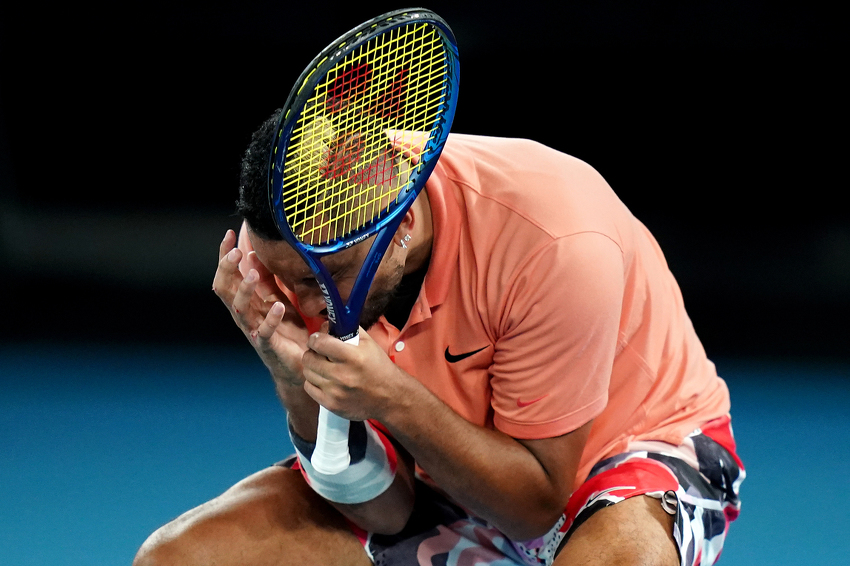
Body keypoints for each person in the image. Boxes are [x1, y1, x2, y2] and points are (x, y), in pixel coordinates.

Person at [133, 108, 745, 566]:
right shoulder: (297, 257)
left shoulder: (557, 240)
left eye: (332, 278)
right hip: (444, 473)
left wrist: (391, 396)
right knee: (177, 559)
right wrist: (295, 381)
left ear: (396, 223)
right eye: (295, 280)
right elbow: (385, 510)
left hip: (617, 463)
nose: (313, 301)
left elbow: (535, 508)